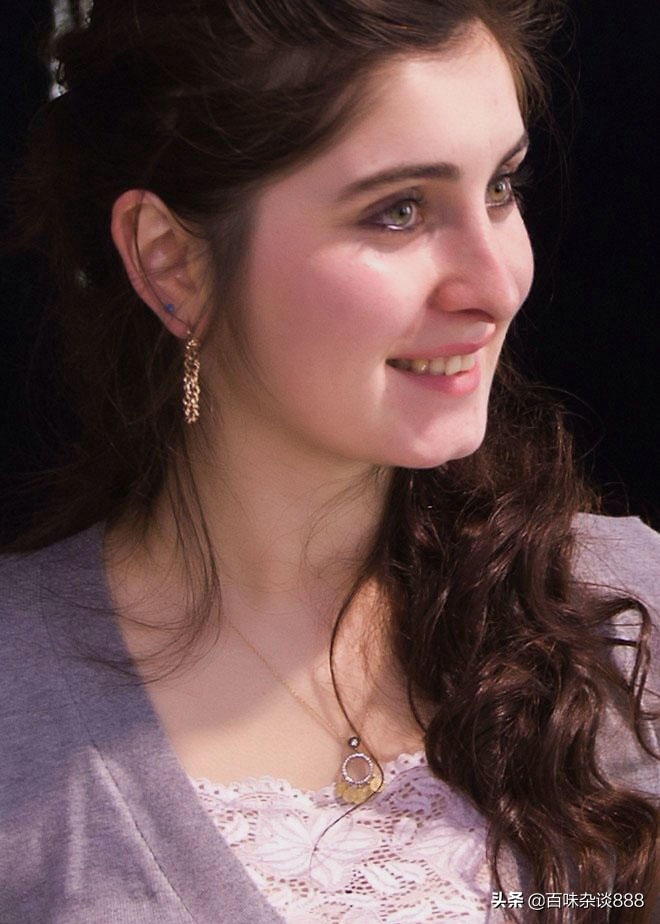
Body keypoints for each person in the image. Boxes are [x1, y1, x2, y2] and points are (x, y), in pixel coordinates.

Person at [1, 1, 658, 921]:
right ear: (171, 262)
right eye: (399, 211)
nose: (499, 282)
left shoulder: (624, 621)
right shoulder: (20, 701)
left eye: (502, 187)